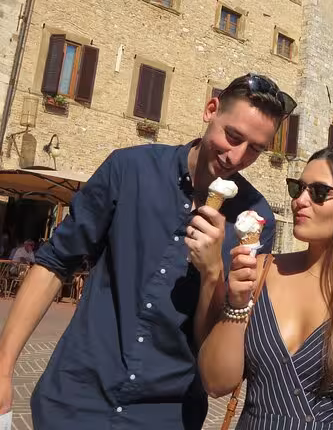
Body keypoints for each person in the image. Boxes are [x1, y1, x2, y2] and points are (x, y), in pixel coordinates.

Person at [0, 74, 294, 428]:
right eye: (232, 137)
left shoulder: (255, 218)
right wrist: (3, 368)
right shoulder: (129, 169)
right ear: (210, 110)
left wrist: (213, 273)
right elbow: (55, 262)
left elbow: (214, 343)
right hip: (77, 397)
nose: (237, 157)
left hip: (167, 413)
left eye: (256, 150)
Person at [198, 146, 333, 429]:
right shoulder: (262, 269)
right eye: (297, 188)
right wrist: (237, 303)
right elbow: (216, 382)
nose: (299, 201)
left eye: (318, 192)